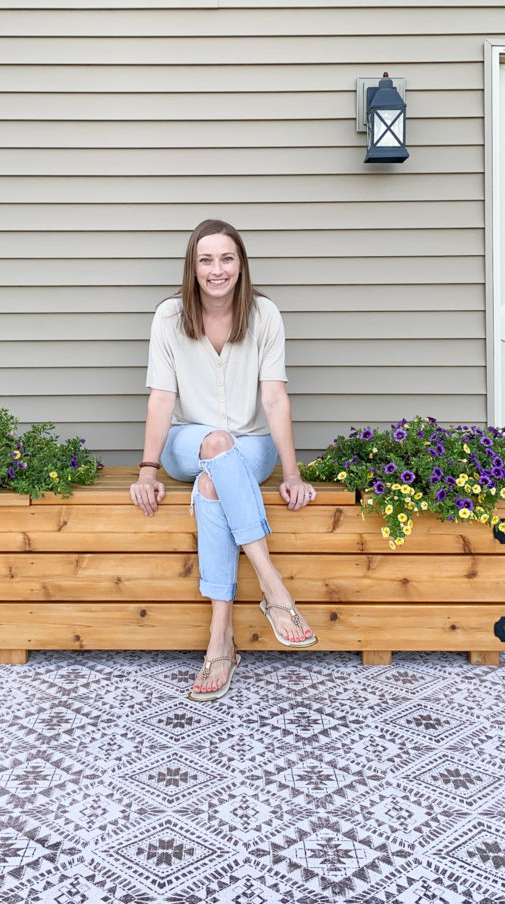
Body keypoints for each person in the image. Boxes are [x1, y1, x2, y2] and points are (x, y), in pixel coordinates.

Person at [130, 219, 318, 702]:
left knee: (215, 481)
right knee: (213, 445)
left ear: (241, 264)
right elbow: (160, 399)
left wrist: (292, 473)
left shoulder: (265, 315)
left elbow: (274, 400)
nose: (217, 270)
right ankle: (273, 588)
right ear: (193, 267)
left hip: (250, 447)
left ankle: (220, 640)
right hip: (185, 444)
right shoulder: (169, 318)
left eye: (227, 258)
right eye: (206, 260)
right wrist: (148, 468)